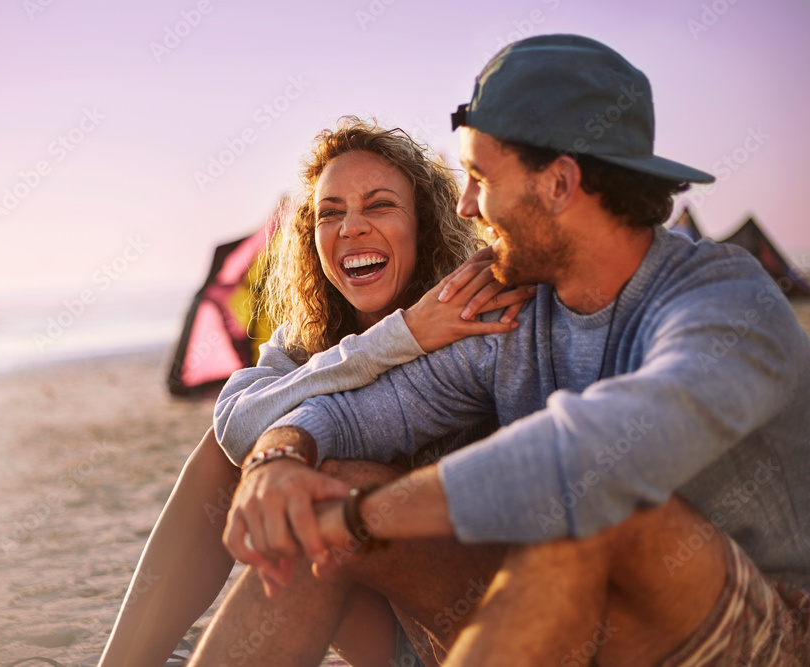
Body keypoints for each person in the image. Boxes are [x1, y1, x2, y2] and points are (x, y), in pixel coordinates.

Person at [193, 35, 810, 666]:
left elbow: (591, 459)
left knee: (603, 512)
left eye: (481, 179)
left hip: (766, 629)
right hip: (573, 619)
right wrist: (280, 461)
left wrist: (363, 518)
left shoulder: (725, 304)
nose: (464, 207)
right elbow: (359, 413)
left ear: (559, 184)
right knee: (327, 484)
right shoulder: (514, 312)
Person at [94, 117, 534, 667]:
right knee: (222, 456)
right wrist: (401, 336)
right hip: (382, 630)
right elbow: (233, 423)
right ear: (312, 235)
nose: (350, 228)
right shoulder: (308, 335)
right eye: (331, 213)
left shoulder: (468, 314)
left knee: (331, 485)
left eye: (378, 206)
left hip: (464, 619)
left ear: (424, 224)